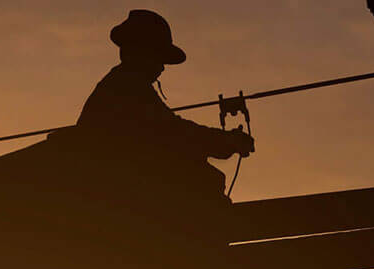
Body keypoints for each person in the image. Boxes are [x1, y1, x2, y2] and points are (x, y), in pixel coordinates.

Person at [77, 9, 252, 166]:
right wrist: (227, 141)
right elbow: (174, 132)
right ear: (142, 52)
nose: (162, 67)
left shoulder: (119, 83)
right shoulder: (128, 86)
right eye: (159, 57)